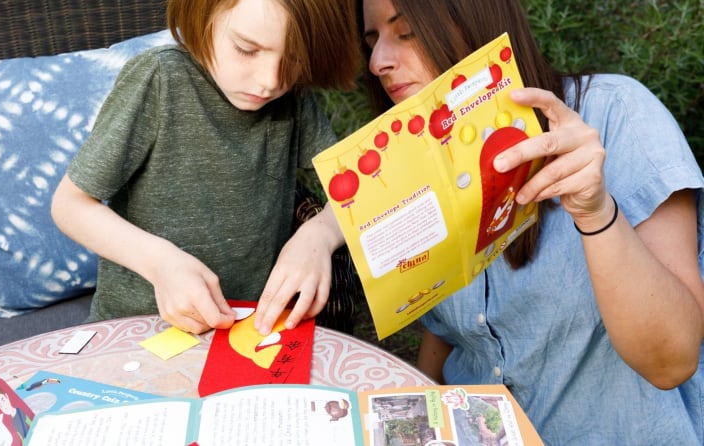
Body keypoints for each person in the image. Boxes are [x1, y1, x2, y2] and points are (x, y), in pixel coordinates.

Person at [357, 0, 704, 444]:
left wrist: (596, 213)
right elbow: (450, 336)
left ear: (473, 23)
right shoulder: (421, 167)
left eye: (406, 33)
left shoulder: (615, 112)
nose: (377, 61)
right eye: (372, 41)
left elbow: (672, 361)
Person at [51, 0, 359, 335]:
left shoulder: (293, 98)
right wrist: (160, 263)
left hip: (246, 332)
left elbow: (361, 190)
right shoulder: (160, 80)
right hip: (136, 331)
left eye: (293, 58)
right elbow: (70, 205)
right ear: (202, 14)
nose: (270, 81)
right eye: (246, 49)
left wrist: (321, 233)